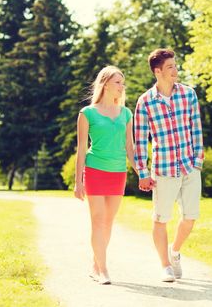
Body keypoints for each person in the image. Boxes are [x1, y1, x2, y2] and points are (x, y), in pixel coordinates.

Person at [134, 48, 204, 282]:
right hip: (163, 170)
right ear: (158, 71)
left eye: (176, 65)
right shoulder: (145, 102)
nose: (176, 70)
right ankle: (164, 265)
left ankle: (174, 252)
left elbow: (196, 128)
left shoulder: (188, 94)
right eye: (170, 67)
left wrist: (197, 162)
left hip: (189, 167)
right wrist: (142, 172)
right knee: (161, 218)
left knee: (190, 217)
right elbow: (141, 140)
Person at [74, 66, 136, 285]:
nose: (122, 86)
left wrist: (142, 172)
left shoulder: (127, 113)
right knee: (98, 220)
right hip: (95, 171)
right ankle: (103, 268)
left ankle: (95, 264)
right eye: (118, 82)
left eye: (122, 82)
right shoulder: (87, 113)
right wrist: (78, 182)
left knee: (108, 222)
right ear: (105, 84)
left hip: (118, 172)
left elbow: (130, 147)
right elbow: (81, 149)